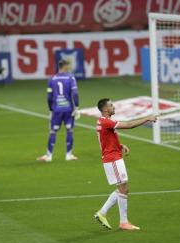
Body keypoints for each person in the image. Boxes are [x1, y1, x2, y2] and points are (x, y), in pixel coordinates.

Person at [94, 98, 157, 231]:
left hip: (113, 157)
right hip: (113, 159)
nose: (113, 107)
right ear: (105, 109)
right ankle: (120, 221)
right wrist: (147, 119)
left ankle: (105, 214)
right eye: (111, 105)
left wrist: (120, 145)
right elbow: (129, 125)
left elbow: (105, 140)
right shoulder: (106, 122)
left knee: (123, 188)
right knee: (123, 188)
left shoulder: (102, 122)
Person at [37, 59, 80, 162]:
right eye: (68, 66)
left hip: (57, 109)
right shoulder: (70, 77)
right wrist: (77, 107)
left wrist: (50, 109)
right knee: (70, 130)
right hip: (68, 109)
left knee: (53, 131)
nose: (69, 68)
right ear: (64, 66)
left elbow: (49, 96)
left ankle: (49, 156)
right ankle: (69, 155)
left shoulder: (52, 79)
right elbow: (75, 93)